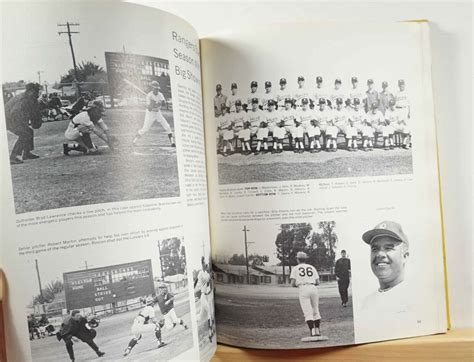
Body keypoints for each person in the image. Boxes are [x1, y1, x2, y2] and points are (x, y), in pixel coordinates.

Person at [359, 221, 414, 342]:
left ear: (405, 256)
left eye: (389, 248)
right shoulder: (365, 303)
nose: (380, 254)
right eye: (375, 249)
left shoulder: (419, 300)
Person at [4, 82, 42, 164]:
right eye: (36, 91)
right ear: (30, 91)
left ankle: (26, 153)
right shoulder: (23, 99)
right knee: (25, 133)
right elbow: (15, 112)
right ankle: (13, 157)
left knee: (29, 131)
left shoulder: (28, 98)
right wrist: (21, 123)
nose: (37, 93)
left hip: (11, 118)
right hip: (8, 119)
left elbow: (31, 112)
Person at [133, 80, 175, 147]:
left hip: (158, 113)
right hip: (150, 114)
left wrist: (160, 103)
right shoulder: (149, 96)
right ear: (152, 88)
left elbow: (164, 103)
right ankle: (134, 141)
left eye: (157, 89)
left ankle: (172, 143)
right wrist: (152, 104)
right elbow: (149, 109)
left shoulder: (160, 94)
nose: (157, 90)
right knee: (145, 129)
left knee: (167, 126)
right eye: (155, 89)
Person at [290, 251, 322, 338]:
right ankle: (317, 329)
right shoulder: (311, 267)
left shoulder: (295, 268)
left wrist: (299, 284)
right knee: (315, 310)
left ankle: (312, 331)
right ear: (305, 259)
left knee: (308, 312)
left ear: (298, 259)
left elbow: (292, 283)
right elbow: (318, 282)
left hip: (303, 289)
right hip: (313, 288)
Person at [194, 256, 215, 342]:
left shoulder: (207, 273)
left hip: (208, 296)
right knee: (209, 311)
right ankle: (210, 332)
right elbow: (205, 280)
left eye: (205, 263)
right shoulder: (200, 274)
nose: (204, 265)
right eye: (203, 263)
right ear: (201, 264)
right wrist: (210, 277)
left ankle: (194, 319)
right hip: (203, 296)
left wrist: (212, 277)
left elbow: (210, 284)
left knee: (201, 316)